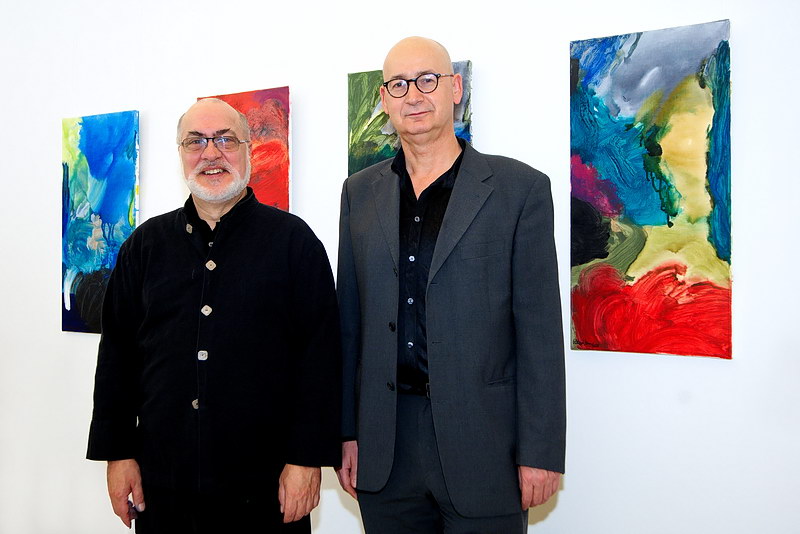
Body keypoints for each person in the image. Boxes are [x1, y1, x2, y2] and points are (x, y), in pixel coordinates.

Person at [336, 37, 566, 533]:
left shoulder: (519, 189)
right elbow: (350, 323)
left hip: (486, 445)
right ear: (384, 99)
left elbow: (540, 331)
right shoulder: (359, 193)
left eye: (427, 80)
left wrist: (541, 451)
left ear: (455, 88)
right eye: (399, 85)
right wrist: (346, 432)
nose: (414, 95)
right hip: (384, 446)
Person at [87, 98, 341, 533]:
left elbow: (320, 358)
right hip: (163, 484)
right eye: (196, 141)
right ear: (181, 153)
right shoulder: (143, 246)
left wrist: (306, 460)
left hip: (266, 488)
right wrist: (118, 454)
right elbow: (117, 358)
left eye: (225, 140)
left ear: (247, 150)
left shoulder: (294, 243)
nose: (210, 153)